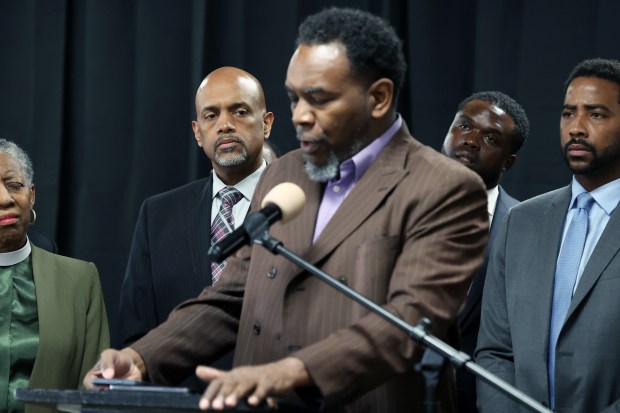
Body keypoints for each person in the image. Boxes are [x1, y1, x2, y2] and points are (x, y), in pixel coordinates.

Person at [85, 8, 488, 413]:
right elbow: (231, 298)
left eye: (318, 99)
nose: (299, 116)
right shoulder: (286, 172)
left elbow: (409, 324)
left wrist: (291, 371)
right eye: (295, 98)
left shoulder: (444, 188)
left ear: (379, 97)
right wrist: (142, 358)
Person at [476, 58, 620, 412]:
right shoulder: (520, 223)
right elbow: (495, 352)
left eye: (596, 114)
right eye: (568, 113)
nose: (577, 128)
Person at [117, 66, 274, 349]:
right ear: (198, 132)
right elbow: (135, 333)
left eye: (239, 111)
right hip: (181, 388)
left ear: (266, 123)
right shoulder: (157, 215)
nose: (225, 125)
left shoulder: (302, 203)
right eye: (211, 115)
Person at [0, 139, 109, 413]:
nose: (5, 199)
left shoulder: (80, 281)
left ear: (32, 195)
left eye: (15, 185)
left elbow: (92, 391)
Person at [441, 91, 529, 413]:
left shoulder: (525, 226)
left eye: (490, 137)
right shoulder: (399, 203)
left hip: (475, 400)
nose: (470, 141)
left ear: (509, 161)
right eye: (464, 127)